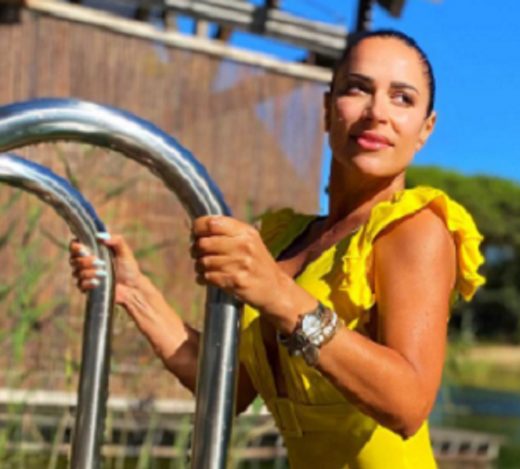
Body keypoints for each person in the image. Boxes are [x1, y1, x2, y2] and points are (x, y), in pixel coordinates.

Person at [70, 29, 485, 469]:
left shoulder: (414, 229)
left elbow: (408, 404)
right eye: (357, 89)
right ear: (327, 109)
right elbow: (230, 389)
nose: (377, 112)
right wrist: (135, 292)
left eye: (402, 98)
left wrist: (277, 294)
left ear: (425, 130)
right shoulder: (284, 239)